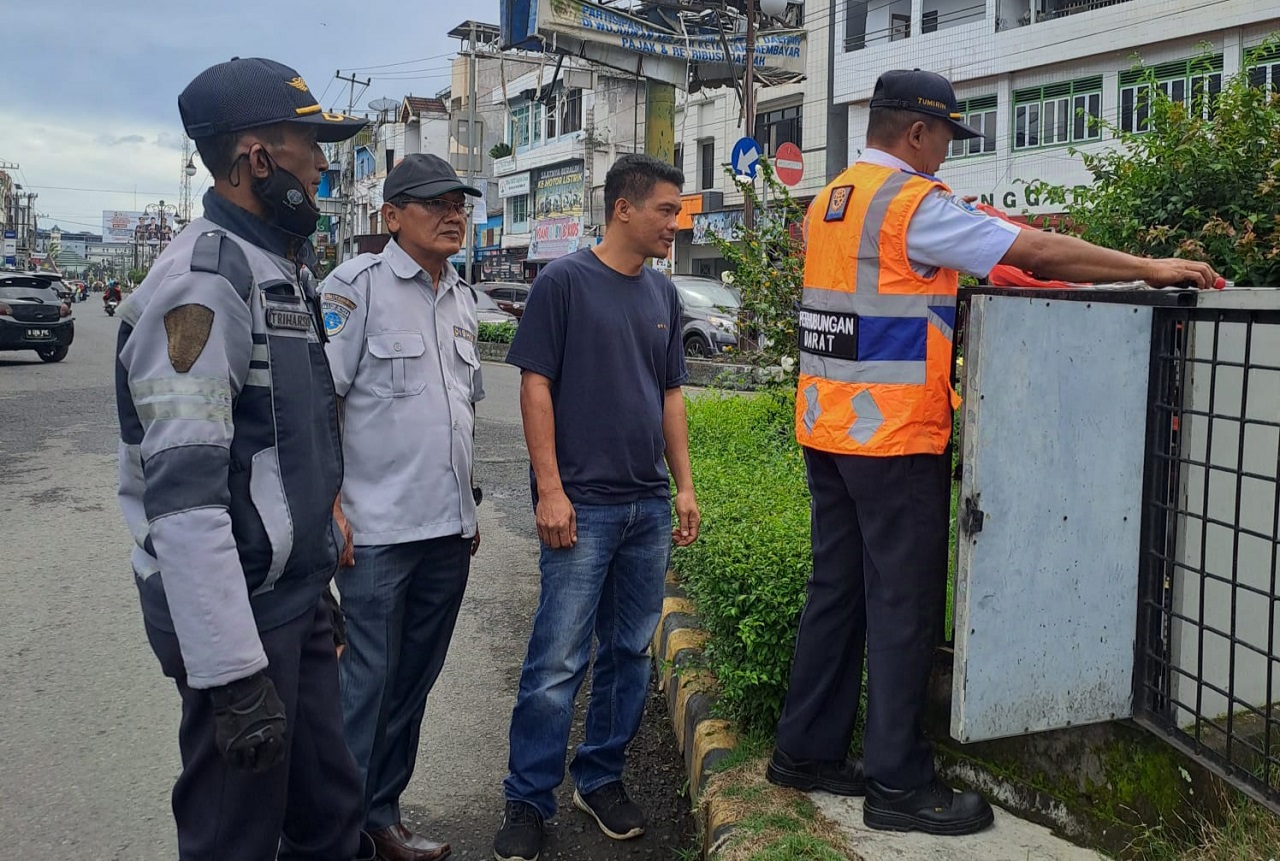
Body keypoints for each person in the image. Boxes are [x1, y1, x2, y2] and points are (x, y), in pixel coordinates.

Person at [765, 68, 1219, 837]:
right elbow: (1036, 251)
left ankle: (804, 752)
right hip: (895, 435)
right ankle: (898, 784)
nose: (947, 150)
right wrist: (1151, 268)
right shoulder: (912, 204)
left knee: (837, 592)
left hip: (828, 429)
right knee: (904, 607)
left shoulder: (833, 201)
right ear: (917, 132)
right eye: (945, 136)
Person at [114, 56, 377, 860]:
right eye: (312, 145)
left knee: (331, 816)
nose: (325, 164)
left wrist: (318, 577)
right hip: (236, 622)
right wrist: (231, 678)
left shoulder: (281, 267)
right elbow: (186, 499)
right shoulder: (205, 282)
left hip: (291, 603)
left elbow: (290, 448)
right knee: (234, 835)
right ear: (258, 160)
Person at [492, 153, 701, 861]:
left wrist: (685, 484)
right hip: (582, 506)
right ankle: (527, 799)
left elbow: (670, 394)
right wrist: (550, 489)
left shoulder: (662, 297)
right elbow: (534, 386)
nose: (677, 222)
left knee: (629, 655)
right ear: (623, 208)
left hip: (645, 505)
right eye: (667, 210)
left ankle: (601, 776)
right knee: (557, 660)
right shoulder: (564, 283)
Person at [321, 153, 486, 861]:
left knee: (411, 688)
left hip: (447, 530)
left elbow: (461, 415)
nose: (453, 213)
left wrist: (469, 511)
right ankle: (334, 834)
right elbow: (320, 403)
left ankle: (380, 816)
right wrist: (328, 505)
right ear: (390, 217)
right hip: (377, 532)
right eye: (433, 202)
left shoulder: (463, 297)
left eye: (459, 202)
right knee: (364, 690)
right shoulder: (354, 289)